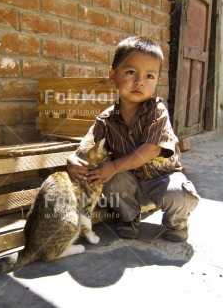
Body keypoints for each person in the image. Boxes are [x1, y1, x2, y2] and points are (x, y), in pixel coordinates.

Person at [67, 36, 200, 242]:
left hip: (161, 179)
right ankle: (129, 217)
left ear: (157, 81)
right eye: (130, 72)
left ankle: (177, 223)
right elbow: (87, 145)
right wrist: (72, 160)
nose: (139, 81)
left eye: (149, 76)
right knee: (109, 177)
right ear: (113, 75)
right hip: (128, 183)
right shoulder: (106, 120)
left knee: (178, 194)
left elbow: (150, 150)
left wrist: (113, 166)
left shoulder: (157, 111)